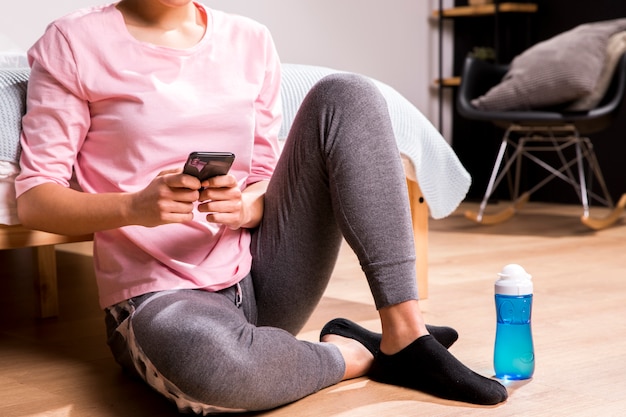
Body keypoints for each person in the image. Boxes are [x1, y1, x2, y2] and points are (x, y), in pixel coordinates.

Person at [16, 0, 508, 413]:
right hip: (160, 301)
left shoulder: (249, 40)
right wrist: (135, 208)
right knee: (212, 366)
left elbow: (266, 178)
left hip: (261, 276)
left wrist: (247, 205)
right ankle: (356, 354)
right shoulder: (74, 42)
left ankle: (405, 335)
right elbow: (36, 198)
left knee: (350, 94)